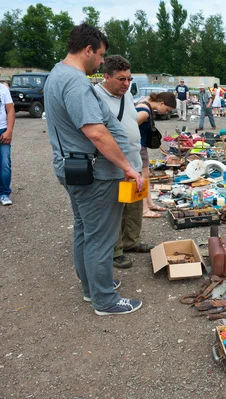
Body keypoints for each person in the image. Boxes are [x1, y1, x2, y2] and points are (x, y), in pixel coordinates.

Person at [44, 24, 144, 315]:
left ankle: (92, 289)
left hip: (76, 168)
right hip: (94, 173)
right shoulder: (75, 82)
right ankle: (104, 300)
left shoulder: (56, 75)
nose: (102, 62)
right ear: (87, 50)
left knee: (85, 231)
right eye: (100, 55)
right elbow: (97, 133)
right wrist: (128, 167)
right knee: (101, 236)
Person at [95, 55, 154, 269]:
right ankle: (115, 249)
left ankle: (131, 242)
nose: (126, 84)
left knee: (133, 206)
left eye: (129, 79)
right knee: (115, 209)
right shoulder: (96, 96)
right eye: (121, 79)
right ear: (106, 76)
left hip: (134, 161)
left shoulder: (126, 95)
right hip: (114, 164)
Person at [136, 92, 176, 218]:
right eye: (167, 109)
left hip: (140, 145)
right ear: (161, 103)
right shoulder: (145, 111)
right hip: (138, 146)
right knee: (142, 178)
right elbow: (128, 127)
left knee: (146, 177)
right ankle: (144, 209)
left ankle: (149, 204)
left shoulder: (144, 103)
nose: (166, 112)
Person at [0, 76, 15, 206]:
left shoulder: (3, 89)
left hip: (2, 131)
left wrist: (9, 131)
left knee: (5, 164)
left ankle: (4, 193)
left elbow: (10, 111)